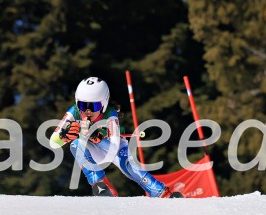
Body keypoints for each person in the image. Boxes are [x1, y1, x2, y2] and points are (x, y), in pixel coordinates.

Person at [49, 77, 183, 198]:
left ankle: (162, 193)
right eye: (83, 105)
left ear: (104, 103)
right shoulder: (74, 112)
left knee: (128, 165)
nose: (87, 111)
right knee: (75, 144)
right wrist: (63, 136)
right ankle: (101, 185)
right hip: (92, 150)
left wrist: (97, 138)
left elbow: (113, 149)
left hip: (113, 146)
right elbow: (53, 143)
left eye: (94, 106)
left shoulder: (110, 114)